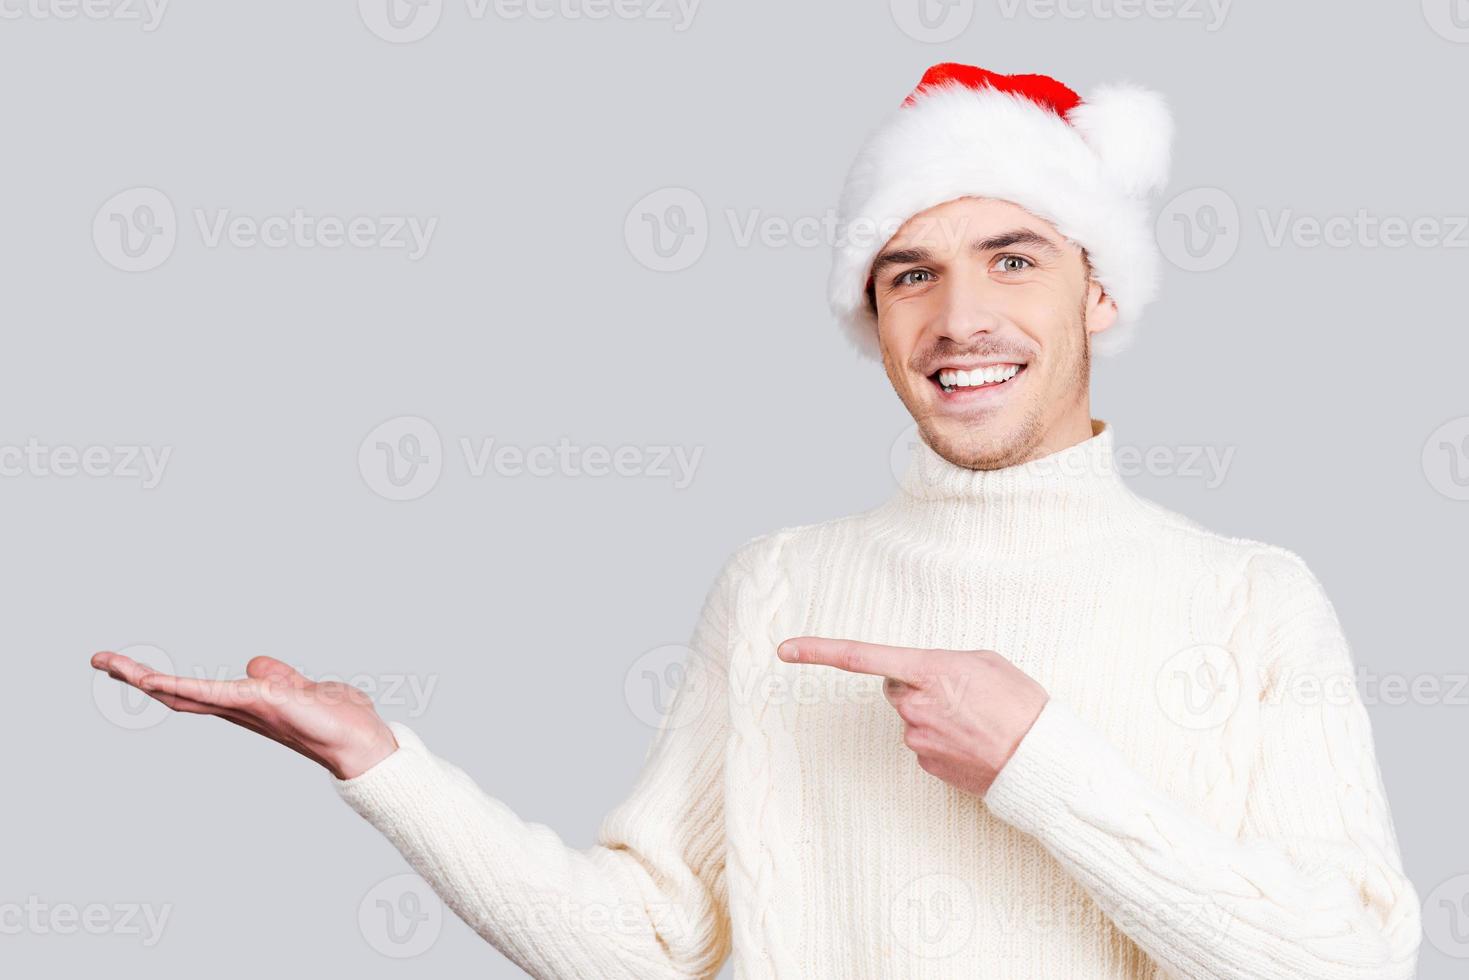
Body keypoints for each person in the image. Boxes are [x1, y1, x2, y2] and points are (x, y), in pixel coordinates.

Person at [90, 62, 1422, 978]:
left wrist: (1036, 764)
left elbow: (1350, 961)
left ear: (1100, 294)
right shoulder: (785, 587)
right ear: (874, 315)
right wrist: (382, 765)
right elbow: (647, 944)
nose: (959, 318)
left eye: (1013, 259)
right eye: (912, 273)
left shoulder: (1249, 596)